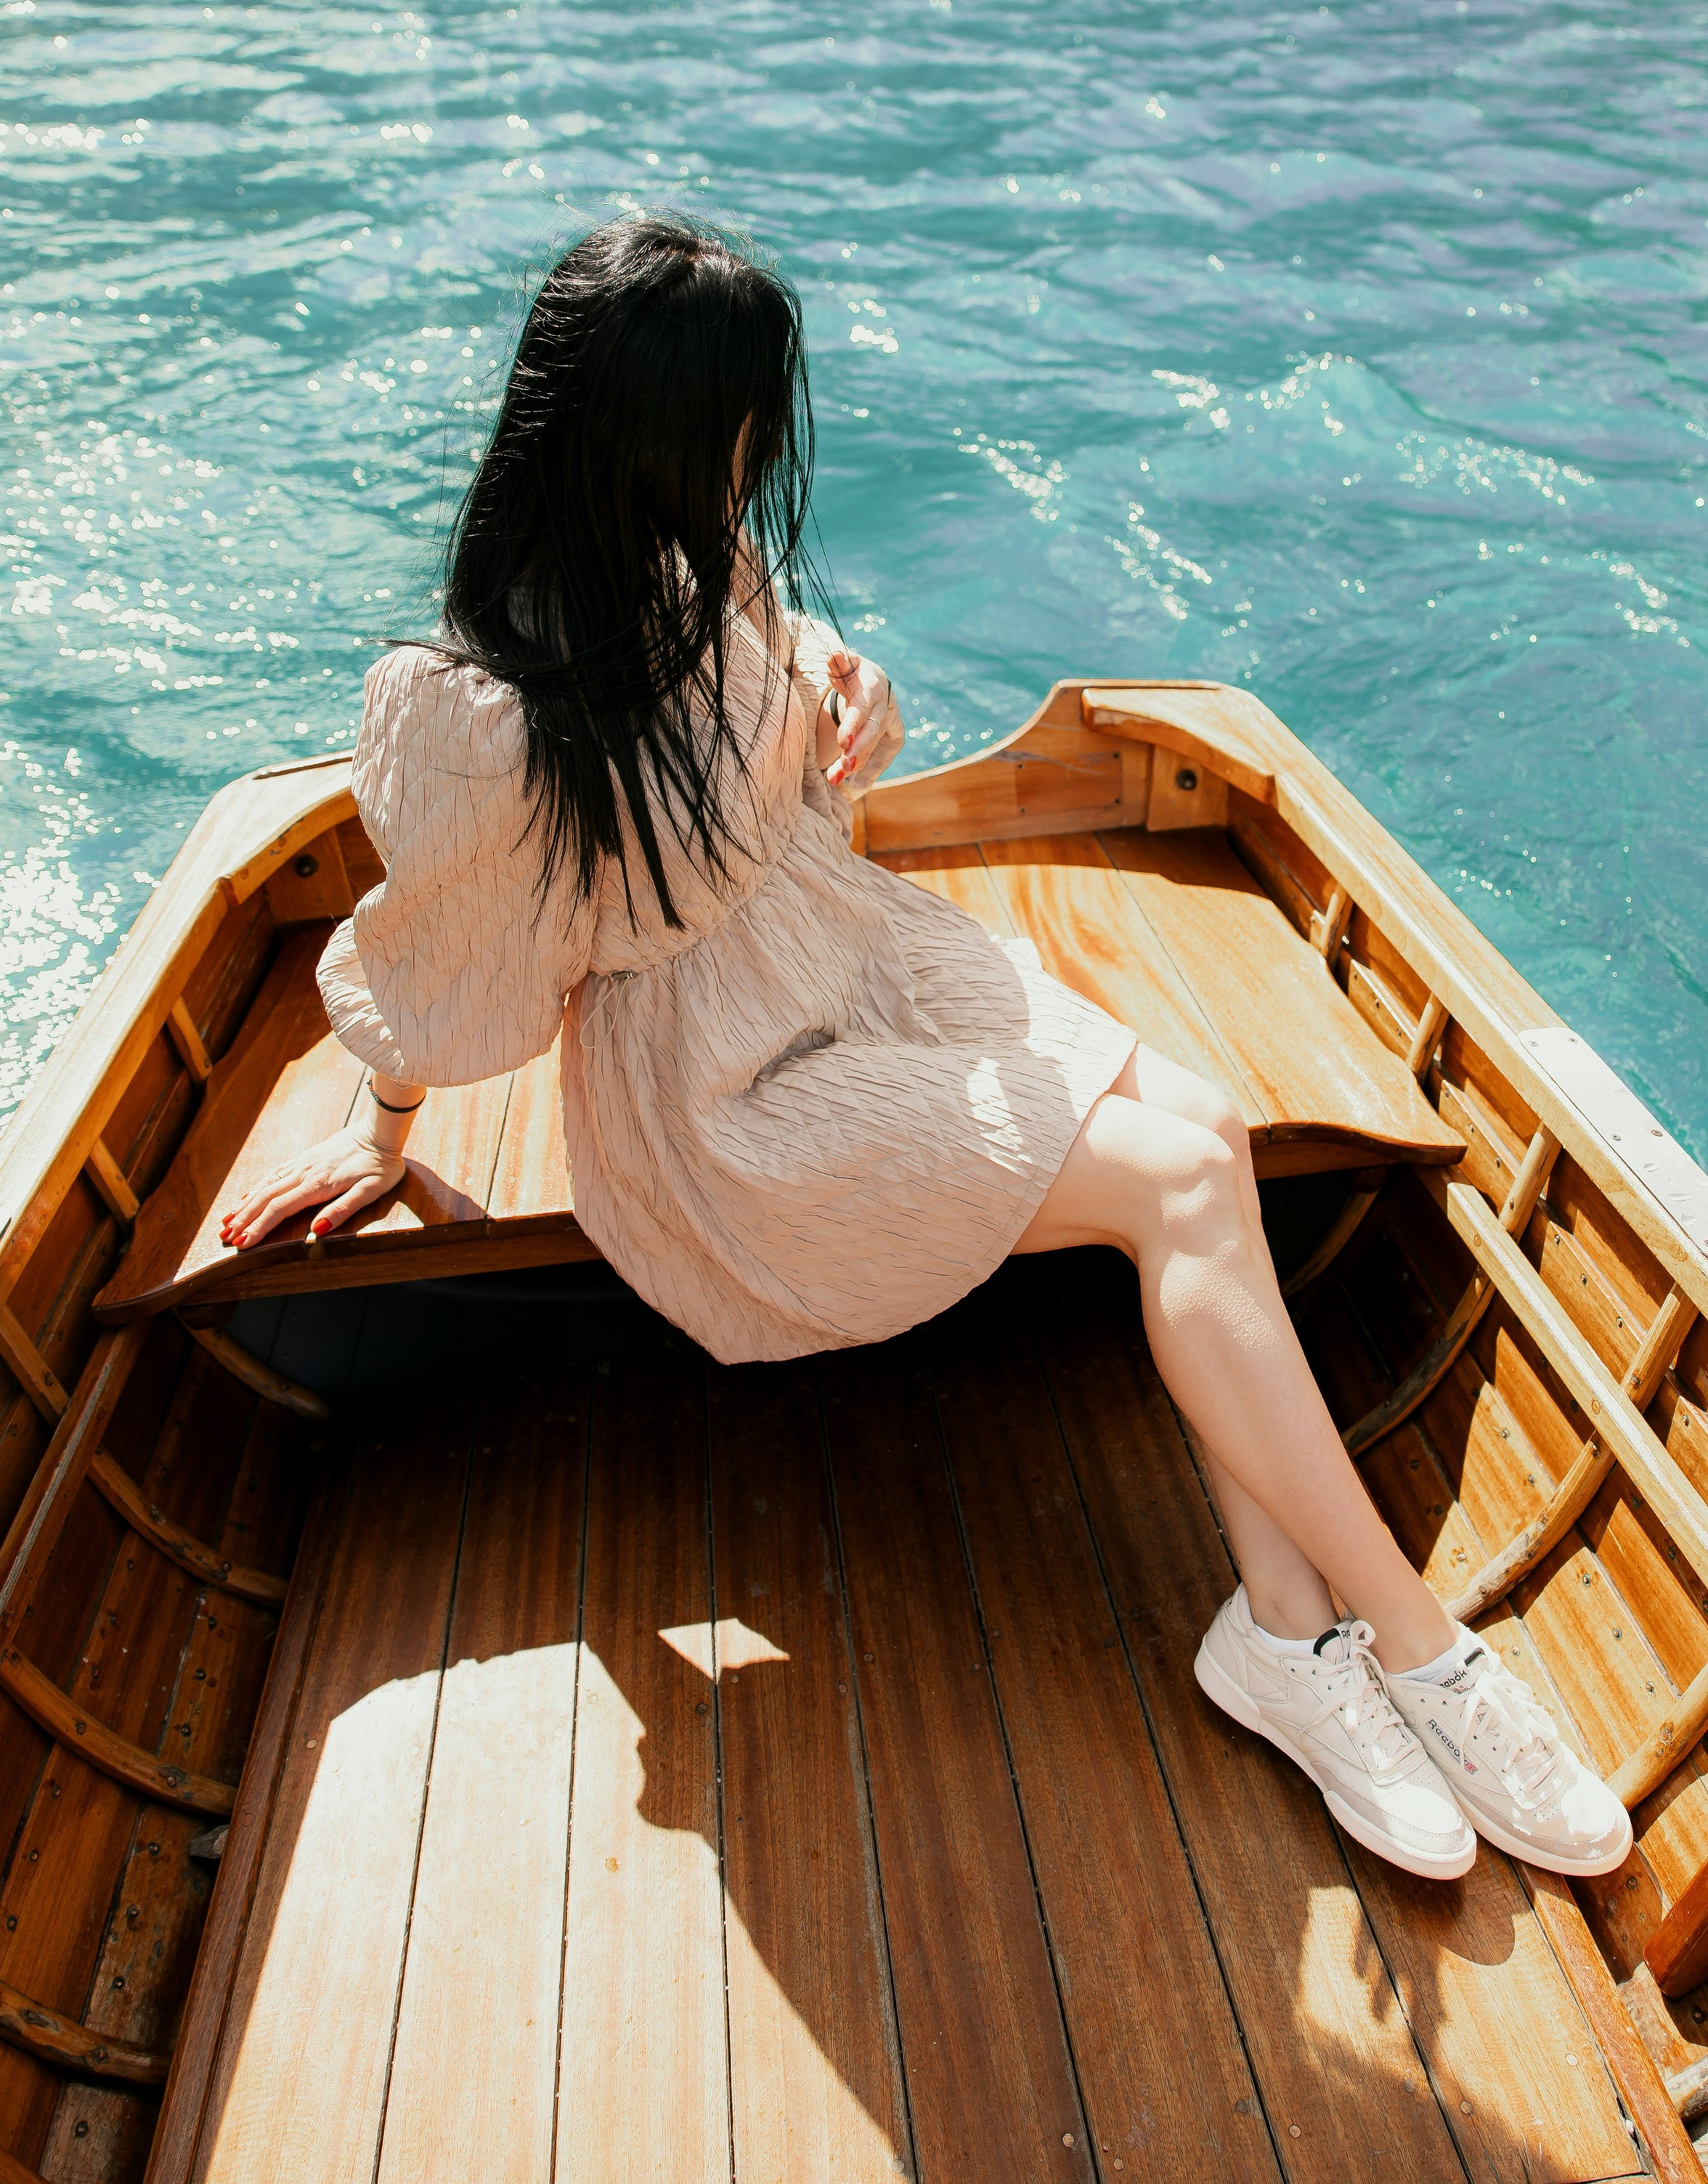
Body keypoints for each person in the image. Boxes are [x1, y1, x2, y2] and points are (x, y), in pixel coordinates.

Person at [223, 213, 1631, 1886]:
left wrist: (829, 667)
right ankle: (1421, 1648)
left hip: (854, 959)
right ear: (662, 427)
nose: (761, 455)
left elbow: (764, 727)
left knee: (1204, 1139)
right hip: (727, 1102)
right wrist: (384, 1134)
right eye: (744, 420)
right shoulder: (481, 710)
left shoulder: (689, 558)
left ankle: (1284, 1634)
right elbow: (453, 964)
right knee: (1182, 1172)